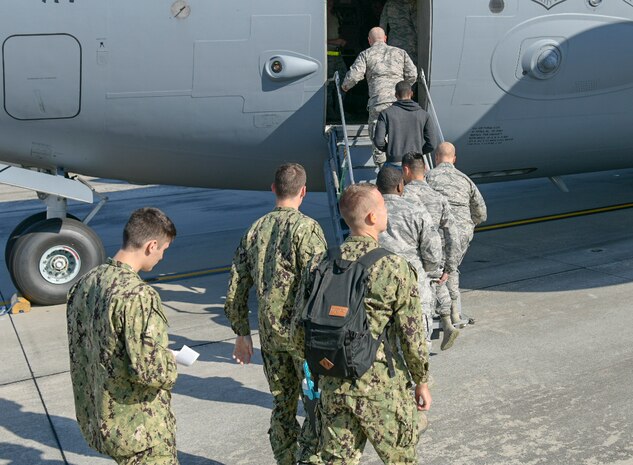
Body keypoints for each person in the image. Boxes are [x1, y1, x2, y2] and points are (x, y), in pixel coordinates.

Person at [293, 183, 431, 465]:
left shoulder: (320, 264)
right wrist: (422, 380)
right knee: (401, 459)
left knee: (336, 459)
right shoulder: (393, 266)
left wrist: (322, 367)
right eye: (382, 207)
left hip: (333, 384)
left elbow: (298, 328)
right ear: (371, 217)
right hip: (379, 388)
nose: (386, 211)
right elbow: (412, 335)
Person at [224, 163, 327, 465]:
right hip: (302, 339)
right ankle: (310, 459)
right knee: (315, 404)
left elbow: (236, 287)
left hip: (270, 338)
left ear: (273, 189)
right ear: (303, 192)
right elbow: (318, 287)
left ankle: (284, 459)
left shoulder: (254, 230)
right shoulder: (307, 230)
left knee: (282, 403)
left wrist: (242, 333)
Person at [66, 207, 179, 465]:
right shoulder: (138, 295)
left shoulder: (85, 283)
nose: (161, 257)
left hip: (101, 419)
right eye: (163, 249)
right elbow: (151, 371)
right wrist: (170, 361)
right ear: (151, 245)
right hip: (140, 430)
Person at [402, 152, 461, 351]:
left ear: (406, 170)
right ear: (425, 170)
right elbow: (453, 234)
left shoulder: (404, 196)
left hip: (413, 254)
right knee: (438, 280)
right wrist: (450, 266)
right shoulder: (438, 197)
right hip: (436, 250)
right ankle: (447, 320)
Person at [376, 166, 443, 339]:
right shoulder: (416, 212)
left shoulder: (369, 214)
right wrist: (425, 270)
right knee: (418, 350)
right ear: (400, 186)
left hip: (379, 296)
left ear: (377, 188)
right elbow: (433, 254)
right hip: (414, 292)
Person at [426, 142, 488, 323]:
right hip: (461, 234)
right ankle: (454, 310)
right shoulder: (465, 180)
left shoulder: (428, 178)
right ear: (454, 159)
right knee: (451, 268)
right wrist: (468, 225)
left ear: (436, 158)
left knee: (436, 269)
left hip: (437, 233)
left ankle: (442, 311)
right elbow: (481, 213)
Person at [341, 27, 417, 167]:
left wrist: (344, 86)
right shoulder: (401, 53)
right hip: (399, 102)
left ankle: (384, 170)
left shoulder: (366, 54)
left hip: (378, 102)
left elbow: (355, 75)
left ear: (369, 40)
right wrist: (404, 89)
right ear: (385, 38)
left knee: (378, 136)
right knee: (399, 132)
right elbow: (413, 74)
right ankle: (406, 168)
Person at [373, 81, 437, 164]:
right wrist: (418, 153)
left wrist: (390, 150)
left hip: (394, 161)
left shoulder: (385, 114)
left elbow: (379, 141)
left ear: (396, 95)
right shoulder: (424, 115)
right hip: (415, 163)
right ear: (411, 93)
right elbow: (432, 144)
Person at [379, 0, 418, 68]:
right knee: (411, 66)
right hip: (409, 40)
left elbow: (383, 24)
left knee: (394, 66)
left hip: (394, 40)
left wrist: (381, 42)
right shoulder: (411, 3)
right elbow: (416, 24)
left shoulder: (389, 4)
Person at [327, 0, 348, 122]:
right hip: (327, 57)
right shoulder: (321, 18)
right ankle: (330, 112)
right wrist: (336, 41)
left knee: (345, 81)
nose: (331, 3)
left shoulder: (335, 17)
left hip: (337, 55)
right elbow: (318, 39)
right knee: (329, 85)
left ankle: (340, 110)